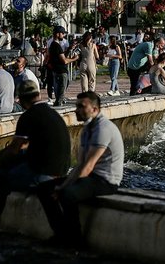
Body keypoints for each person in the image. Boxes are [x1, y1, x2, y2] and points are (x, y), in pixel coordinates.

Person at [0, 80, 71, 237]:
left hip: (43, 172)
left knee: (1, 182)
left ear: (21, 100)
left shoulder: (29, 116)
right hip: (61, 169)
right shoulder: (52, 113)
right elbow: (23, 148)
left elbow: (15, 147)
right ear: (38, 95)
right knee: (18, 159)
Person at [37, 91, 124, 248]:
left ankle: (75, 240)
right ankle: (61, 234)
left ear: (95, 109)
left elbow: (88, 166)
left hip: (105, 181)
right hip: (91, 177)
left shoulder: (103, 129)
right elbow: (80, 165)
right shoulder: (87, 129)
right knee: (44, 189)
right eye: (76, 106)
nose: (76, 110)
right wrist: (60, 185)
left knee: (67, 194)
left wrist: (63, 187)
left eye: (81, 106)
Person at [48, 26, 79, 106]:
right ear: (58, 34)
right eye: (62, 34)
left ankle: (57, 105)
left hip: (56, 70)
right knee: (61, 93)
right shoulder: (56, 45)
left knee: (58, 93)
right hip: (61, 71)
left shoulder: (53, 45)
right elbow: (64, 60)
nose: (63, 35)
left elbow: (61, 56)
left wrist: (69, 49)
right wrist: (74, 59)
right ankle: (58, 109)